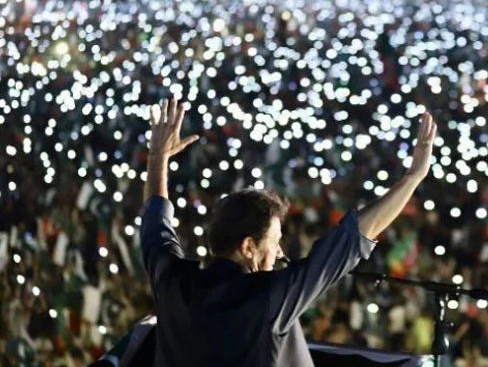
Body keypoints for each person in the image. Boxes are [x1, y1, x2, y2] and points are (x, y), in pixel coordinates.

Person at [139, 99, 438, 367]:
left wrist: (157, 158)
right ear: (248, 247)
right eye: (275, 241)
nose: (281, 252)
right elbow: (351, 238)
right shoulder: (269, 298)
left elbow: (155, 221)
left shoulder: (172, 282)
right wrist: (413, 178)